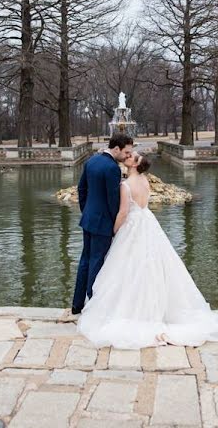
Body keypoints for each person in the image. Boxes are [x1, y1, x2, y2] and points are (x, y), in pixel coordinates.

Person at [77, 153, 218, 349]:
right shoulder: (146, 181)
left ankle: (131, 312)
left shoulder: (125, 185)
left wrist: (114, 231)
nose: (129, 157)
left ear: (136, 165)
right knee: (153, 265)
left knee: (127, 268)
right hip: (147, 223)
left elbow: (123, 212)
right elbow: (143, 205)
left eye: (133, 157)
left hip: (132, 226)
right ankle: (157, 311)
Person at [69, 133, 134, 315]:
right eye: (126, 152)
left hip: (89, 219)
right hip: (103, 223)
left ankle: (77, 304)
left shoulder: (92, 161)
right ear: (116, 149)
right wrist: (116, 226)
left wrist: (87, 211)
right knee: (97, 263)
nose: (127, 156)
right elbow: (113, 202)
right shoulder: (113, 168)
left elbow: (81, 189)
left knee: (85, 261)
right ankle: (93, 306)